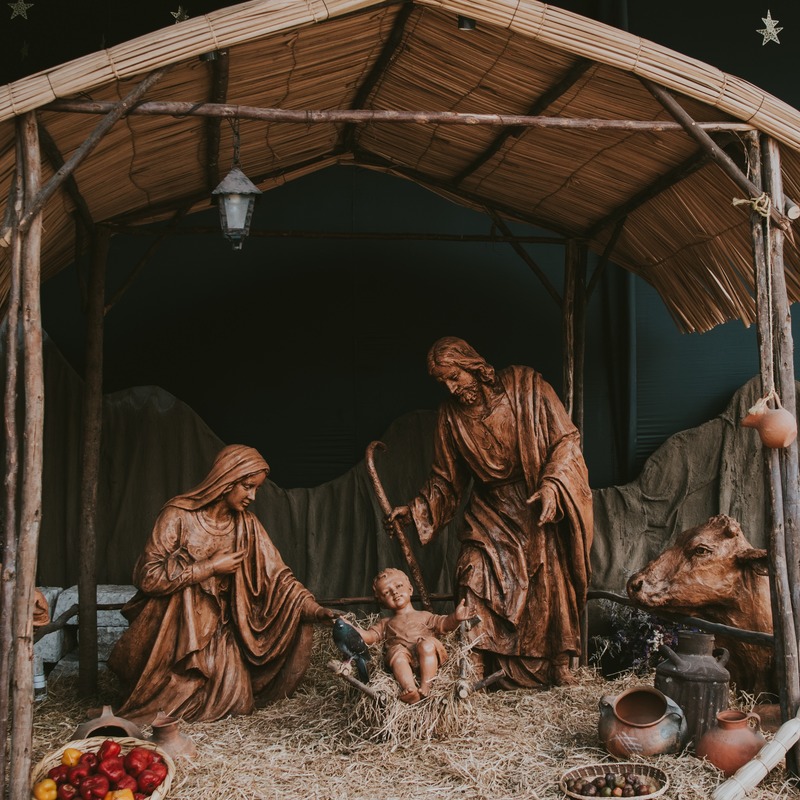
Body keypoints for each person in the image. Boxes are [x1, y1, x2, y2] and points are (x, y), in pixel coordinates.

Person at [387, 337, 593, 688]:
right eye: (443, 383)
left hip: (533, 499)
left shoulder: (527, 387)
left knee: (549, 572)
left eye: (455, 377)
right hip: (489, 510)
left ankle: (557, 663)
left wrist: (552, 485)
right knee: (473, 572)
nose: (452, 389)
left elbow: (566, 440)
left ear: (473, 366)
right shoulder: (450, 417)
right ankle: (475, 663)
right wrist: (416, 510)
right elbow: (446, 479)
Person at [108, 444, 338, 723]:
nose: (252, 496)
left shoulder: (246, 525)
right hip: (176, 634)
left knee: (238, 705)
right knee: (167, 709)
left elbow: (279, 577)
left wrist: (313, 609)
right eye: (247, 486)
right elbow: (148, 577)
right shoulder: (178, 515)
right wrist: (209, 568)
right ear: (226, 479)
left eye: (256, 489)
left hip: (220, 632)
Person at [359, 567, 473, 703]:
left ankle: (426, 685)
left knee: (426, 644)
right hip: (404, 659)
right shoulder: (385, 623)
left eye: (399, 586)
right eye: (386, 592)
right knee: (396, 652)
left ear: (410, 589)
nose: (395, 592)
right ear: (382, 602)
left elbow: (444, 624)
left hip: (428, 655)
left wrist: (455, 618)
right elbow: (370, 636)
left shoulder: (424, 615)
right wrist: (350, 628)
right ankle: (410, 688)